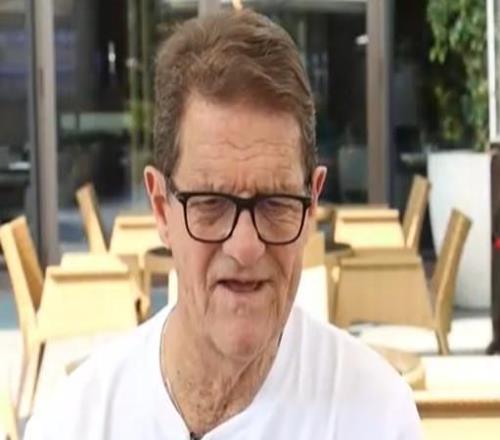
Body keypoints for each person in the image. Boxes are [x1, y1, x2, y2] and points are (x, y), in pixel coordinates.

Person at [24, 9, 422, 439]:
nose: (245, 247)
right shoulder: (74, 421)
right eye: (211, 203)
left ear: (311, 206)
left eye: (275, 202)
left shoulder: (375, 416)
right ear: (161, 208)